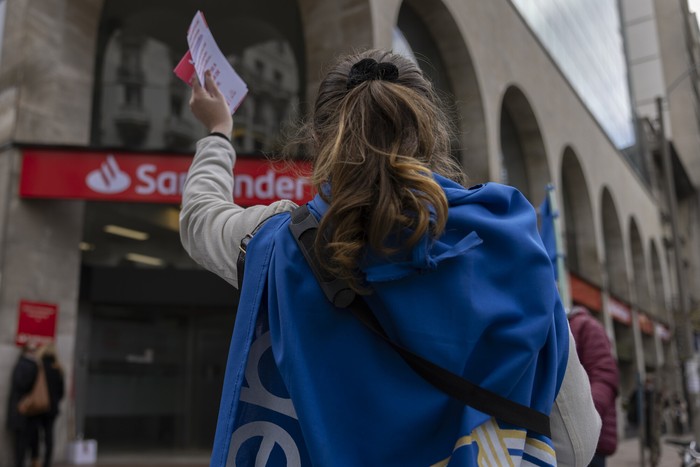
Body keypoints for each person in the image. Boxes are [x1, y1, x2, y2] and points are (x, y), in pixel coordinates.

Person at [181, 49, 601, 466]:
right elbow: (576, 444)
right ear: (433, 133)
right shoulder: (512, 243)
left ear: (317, 141)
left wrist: (219, 130)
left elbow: (200, 219)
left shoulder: (278, 244)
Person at [568, 305, 619, 467]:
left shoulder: (586, 325)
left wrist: (586, 420)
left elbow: (604, 376)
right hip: (572, 439)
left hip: (590, 440)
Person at [28, 343, 65, 467]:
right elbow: (61, 392)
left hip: (38, 405)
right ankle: (47, 462)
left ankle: (35, 459)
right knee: (49, 435)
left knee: (35, 433)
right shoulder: (58, 369)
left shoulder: (38, 366)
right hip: (52, 408)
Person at [6, 343, 40, 467]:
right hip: (25, 408)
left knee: (22, 440)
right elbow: (22, 384)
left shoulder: (23, 364)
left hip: (23, 409)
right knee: (24, 440)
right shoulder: (31, 366)